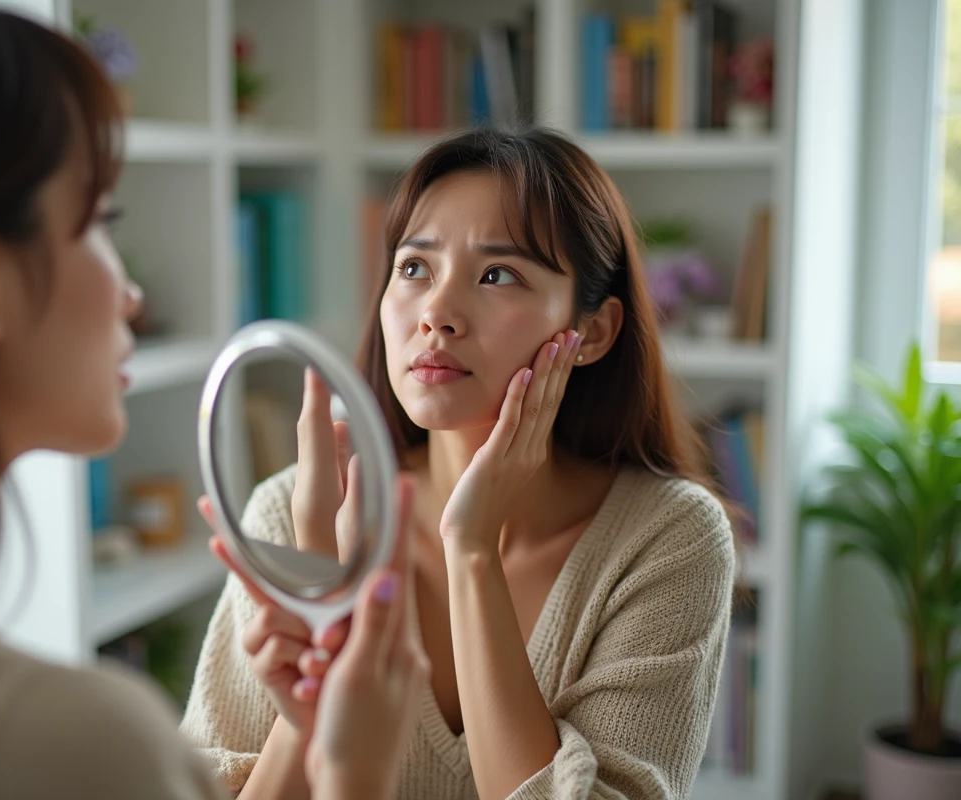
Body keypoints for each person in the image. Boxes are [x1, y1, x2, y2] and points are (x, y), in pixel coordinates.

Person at [0, 1, 426, 798]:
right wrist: (358, 776)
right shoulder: (59, 744)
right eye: (98, 221)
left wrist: (302, 733)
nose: (134, 293)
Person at [181, 128, 736, 799]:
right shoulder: (294, 514)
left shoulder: (668, 537)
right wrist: (311, 708)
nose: (437, 313)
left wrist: (471, 548)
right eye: (415, 268)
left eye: (498, 274)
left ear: (590, 332)